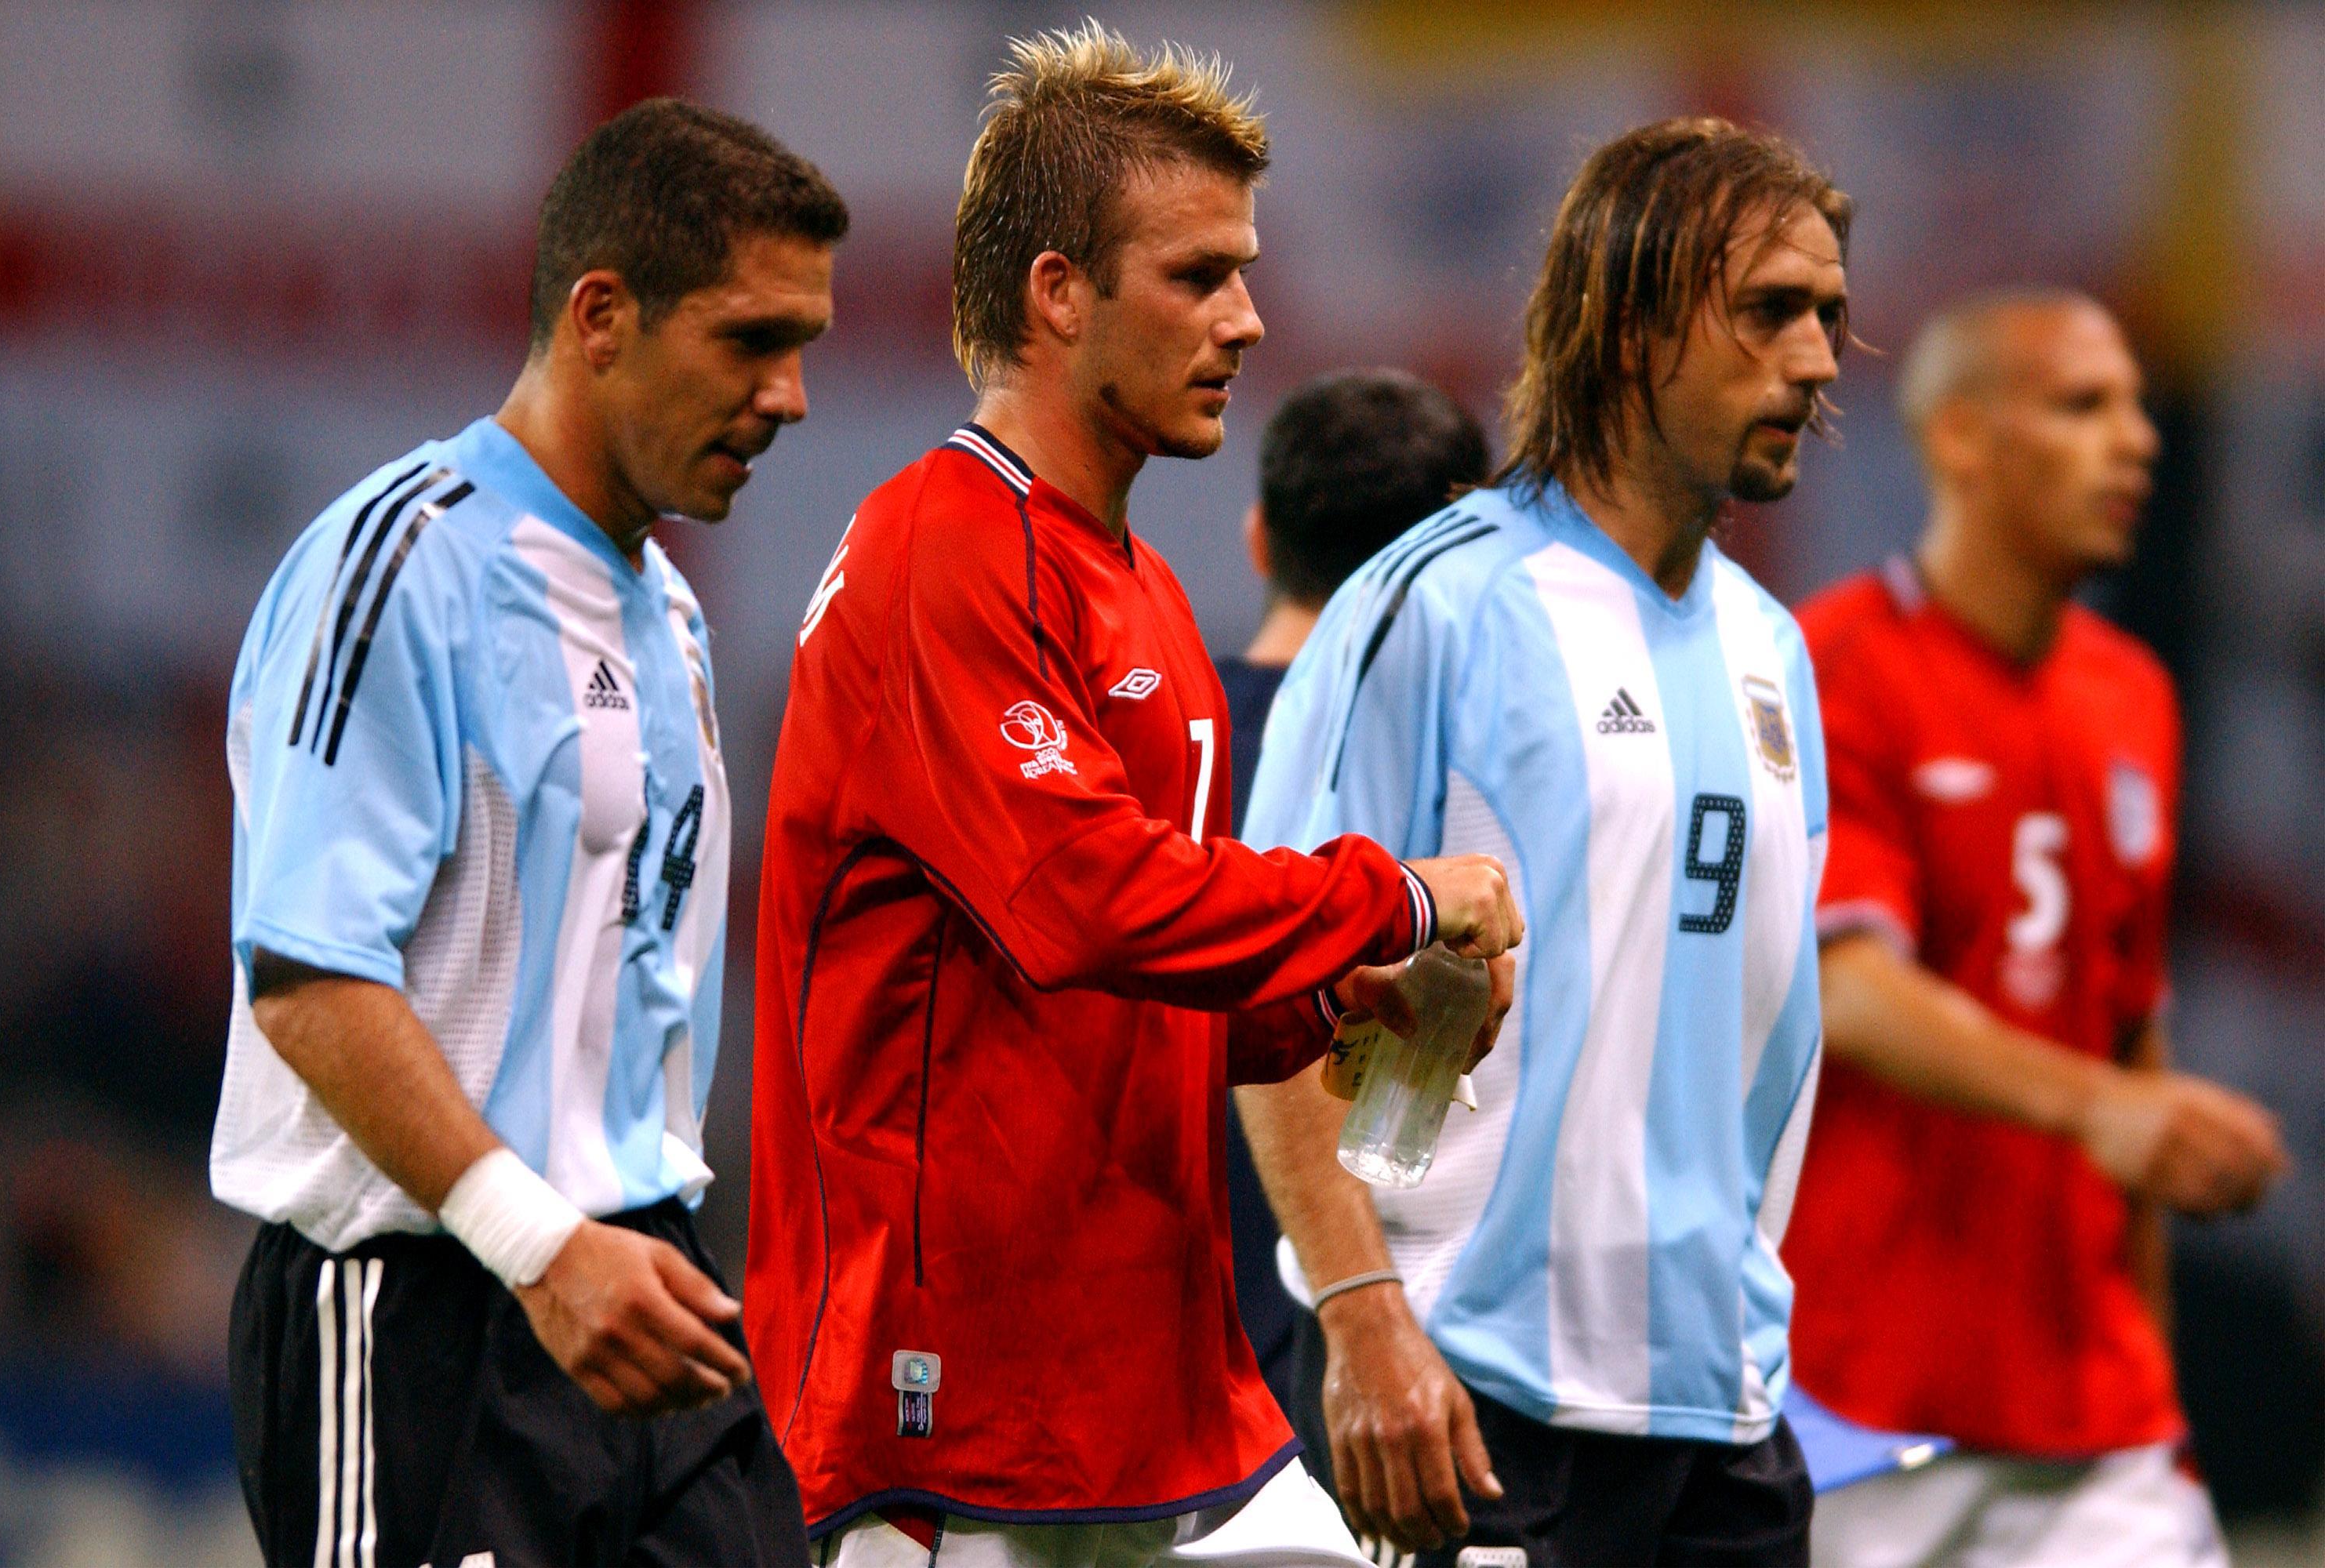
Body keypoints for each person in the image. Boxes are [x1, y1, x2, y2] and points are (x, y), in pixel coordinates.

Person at [746, 24, 1522, 1568]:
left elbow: (1143, 990)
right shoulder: (936, 555)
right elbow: (1084, 900)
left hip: (1146, 1408)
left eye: (1244, 271)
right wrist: (1410, 892)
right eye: (1198, 274)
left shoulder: (1145, 592)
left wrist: (1338, 1004)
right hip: (952, 1417)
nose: (1245, 317)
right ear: (1057, 294)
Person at [213, 100, 845, 1568]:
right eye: (753, 341)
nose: (794, 394)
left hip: (641, 1285)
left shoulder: (668, 607)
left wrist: (608, 1251)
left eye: (805, 344)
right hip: (425, 1300)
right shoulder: (403, 566)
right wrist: (537, 1246)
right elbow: (309, 977)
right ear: (602, 314)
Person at [1241, 117, 1849, 1566]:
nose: (1820, 361)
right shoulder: (1435, 603)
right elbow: (1265, 998)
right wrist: (1362, 1316)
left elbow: (1752, 1042)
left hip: (1728, 1422)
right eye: (1771, 310)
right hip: (1472, 1408)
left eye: (1830, 314)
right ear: (1632, 319)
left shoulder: (1776, 651)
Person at [1786, 289, 2289, 1568]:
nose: (2137, 440)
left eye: (2133, 404)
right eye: (2082, 405)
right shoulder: (1832, 667)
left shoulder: (2133, 697)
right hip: (1869, 1409)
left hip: (2096, 1413)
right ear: (1959, 439)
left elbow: (2134, 1046)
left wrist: (2158, 1386)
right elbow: (1848, 988)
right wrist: (2102, 1112)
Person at [1216, 370, 1491, 1397]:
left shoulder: (1137, 766)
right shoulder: (1473, 817)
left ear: (1259, 540)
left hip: (1159, 1415)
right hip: (1390, 1378)